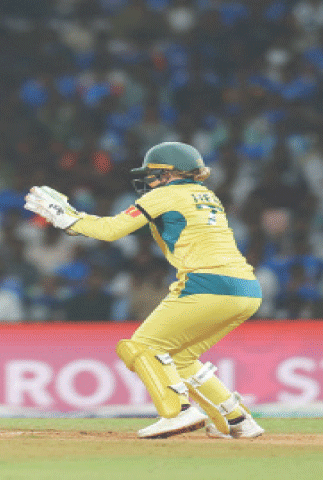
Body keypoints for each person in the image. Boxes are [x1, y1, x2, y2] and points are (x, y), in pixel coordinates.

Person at [25, 141, 264, 439]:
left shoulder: (165, 194)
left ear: (168, 173)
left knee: (141, 347)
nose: (148, 181)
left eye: (153, 174)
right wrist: (76, 223)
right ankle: (237, 419)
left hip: (207, 284)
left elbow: (111, 230)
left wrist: (69, 218)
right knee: (181, 359)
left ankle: (178, 412)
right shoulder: (206, 195)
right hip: (246, 289)